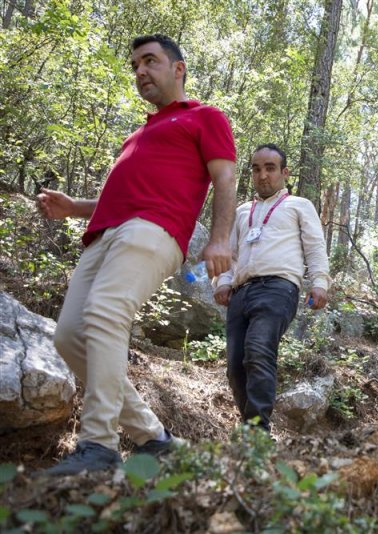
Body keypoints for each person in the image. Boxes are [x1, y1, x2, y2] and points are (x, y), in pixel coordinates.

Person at [36, 34, 237, 475]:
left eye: (150, 61)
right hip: (104, 234)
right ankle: (155, 439)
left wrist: (221, 237)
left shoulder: (205, 117)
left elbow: (224, 179)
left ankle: (99, 446)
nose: (141, 71)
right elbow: (119, 198)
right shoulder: (138, 135)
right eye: (136, 66)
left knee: (107, 311)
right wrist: (74, 208)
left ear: (178, 69)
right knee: (69, 335)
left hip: (155, 230)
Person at [213, 144, 329, 433]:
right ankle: (250, 427)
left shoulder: (299, 206)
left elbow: (314, 247)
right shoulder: (242, 211)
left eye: (270, 168)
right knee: (236, 367)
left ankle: (257, 433)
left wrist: (319, 283)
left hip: (278, 288)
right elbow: (227, 252)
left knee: (258, 349)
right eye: (256, 168)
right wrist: (223, 281)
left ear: (284, 172)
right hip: (241, 292)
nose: (262, 175)